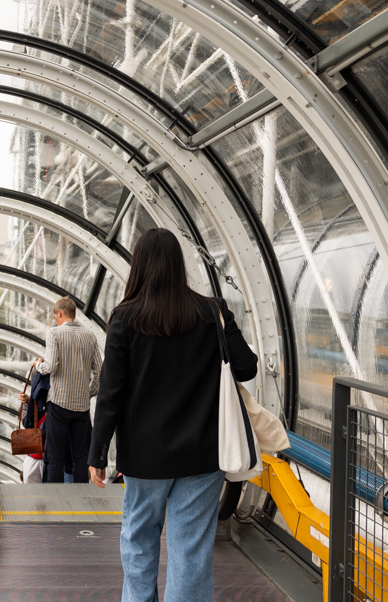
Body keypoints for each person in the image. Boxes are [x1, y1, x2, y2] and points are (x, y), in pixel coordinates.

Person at [87, 228, 258, 602]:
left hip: (145, 457)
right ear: (179, 265)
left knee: (139, 537)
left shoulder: (124, 318)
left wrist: (97, 454)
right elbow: (246, 367)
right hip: (202, 453)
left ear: (139, 267)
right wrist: (224, 326)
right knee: (191, 548)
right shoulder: (211, 311)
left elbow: (111, 393)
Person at [33, 296, 101, 483]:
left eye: (56, 316)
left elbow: (51, 366)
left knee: (55, 457)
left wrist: (38, 365)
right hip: (81, 407)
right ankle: (80, 499)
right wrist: (88, 393)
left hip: (59, 404)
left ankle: (57, 501)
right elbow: (100, 372)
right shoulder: (90, 336)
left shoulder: (54, 333)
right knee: (80, 457)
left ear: (60, 313)